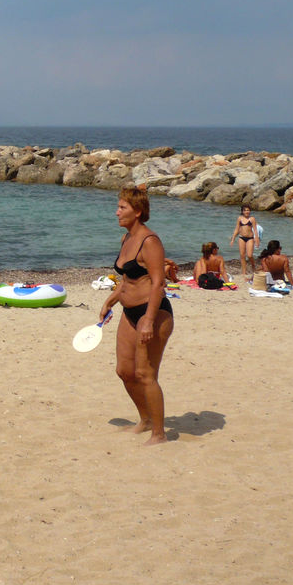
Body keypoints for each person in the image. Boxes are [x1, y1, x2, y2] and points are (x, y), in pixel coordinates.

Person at [99, 185, 174, 446]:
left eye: (122, 208)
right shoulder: (126, 238)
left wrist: (149, 320)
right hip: (128, 312)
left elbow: (157, 283)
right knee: (124, 371)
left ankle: (159, 434)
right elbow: (128, 279)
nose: (116, 212)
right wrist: (111, 299)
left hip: (152, 313)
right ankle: (145, 419)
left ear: (138, 212)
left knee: (145, 374)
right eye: (118, 206)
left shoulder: (149, 241)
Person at [229, 204, 259, 281]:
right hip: (241, 237)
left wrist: (256, 239)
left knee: (249, 255)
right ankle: (244, 272)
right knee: (242, 255)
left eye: (248, 210)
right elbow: (237, 229)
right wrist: (233, 239)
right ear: (242, 211)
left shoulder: (252, 219)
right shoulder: (240, 218)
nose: (247, 212)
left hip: (250, 238)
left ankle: (253, 266)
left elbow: (255, 230)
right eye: (245, 210)